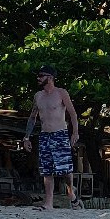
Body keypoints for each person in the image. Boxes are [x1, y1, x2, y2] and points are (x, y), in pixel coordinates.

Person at [22, 65, 81, 209]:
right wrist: (26, 137)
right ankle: (48, 203)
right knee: (46, 170)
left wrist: (75, 133)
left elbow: (73, 114)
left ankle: (70, 192)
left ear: (50, 77)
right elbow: (32, 117)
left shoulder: (61, 93)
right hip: (44, 136)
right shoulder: (38, 96)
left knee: (66, 170)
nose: (38, 78)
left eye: (41, 75)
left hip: (60, 134)